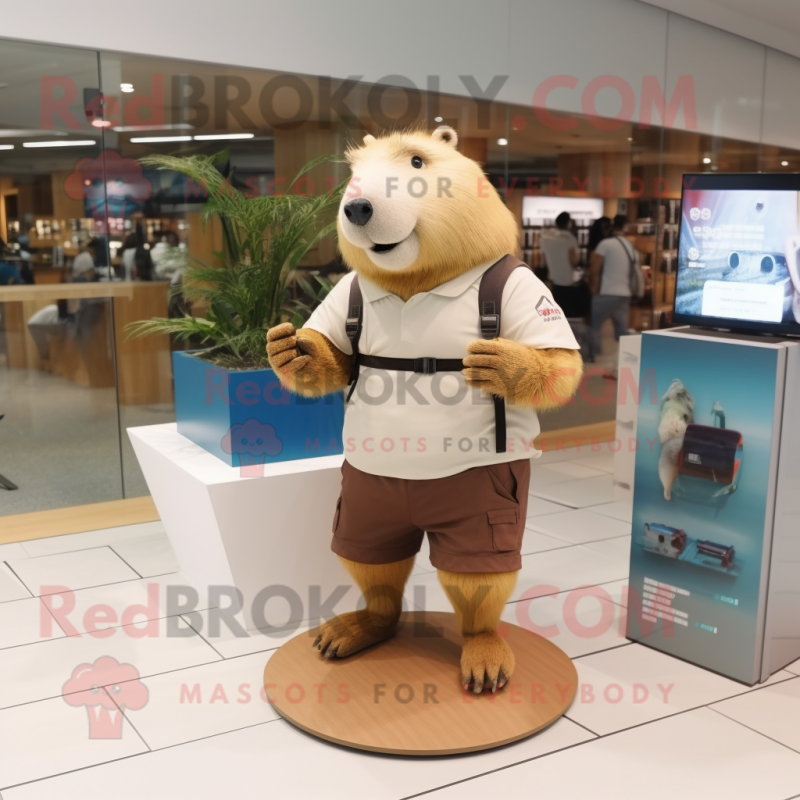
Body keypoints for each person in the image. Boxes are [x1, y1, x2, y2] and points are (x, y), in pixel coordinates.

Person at [589, 214, 637, 355]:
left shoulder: (605, 245)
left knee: (594, 325)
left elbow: (594, 269)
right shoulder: (629, 246)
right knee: (622, 332)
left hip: (607, 292)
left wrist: (593, 289)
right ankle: (634, 355)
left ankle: (593, 357)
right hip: (625, 293)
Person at [539, 211, 580, 309]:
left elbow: (542, 262)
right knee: (565, 311)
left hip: (551, 282)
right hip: (567, 282)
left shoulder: (545, 239)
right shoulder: (571, 239)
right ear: (569, 223)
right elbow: (573, 261)